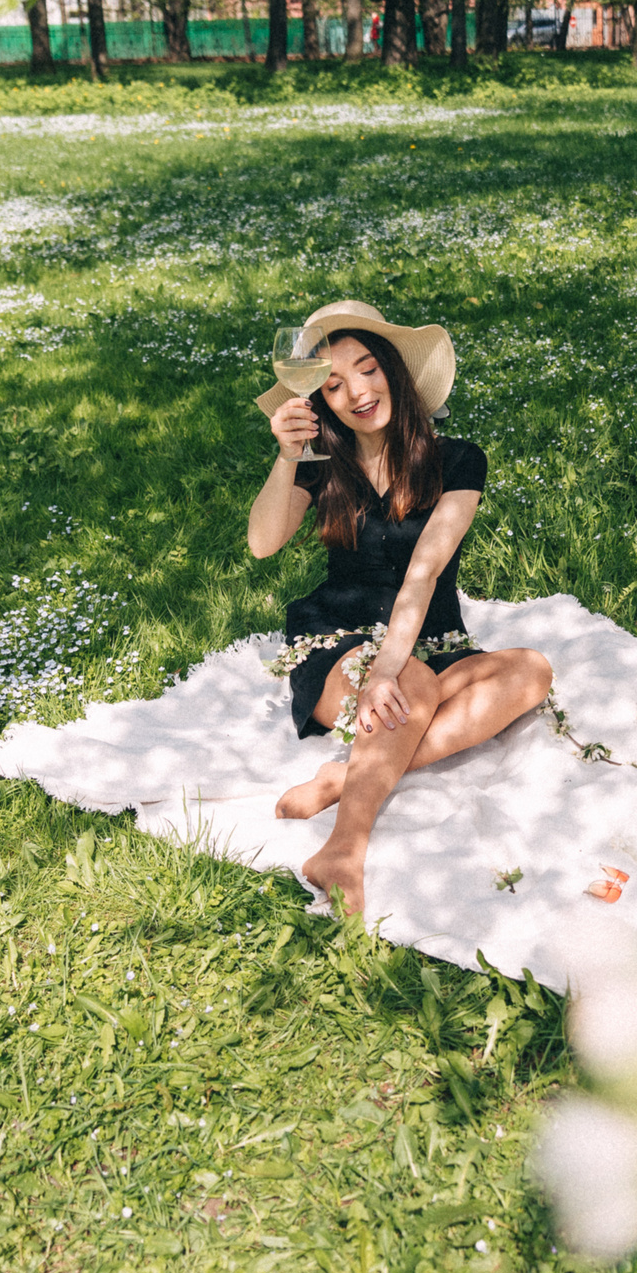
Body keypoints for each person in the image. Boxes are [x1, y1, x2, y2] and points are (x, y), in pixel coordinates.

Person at [246, 300, 552, 921]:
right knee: (408, 682)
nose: (356, 392)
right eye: (333, 385)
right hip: (338, 638)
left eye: (366, 369)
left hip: (433, 639)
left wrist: (393, 664)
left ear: (395, 371)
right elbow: (262, 543)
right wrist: (286, 457)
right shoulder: (322, 464)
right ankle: (343, 850)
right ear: (320, 401)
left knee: (532, 671)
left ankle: (348, 776)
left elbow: (425, 570)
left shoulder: (458, 460)